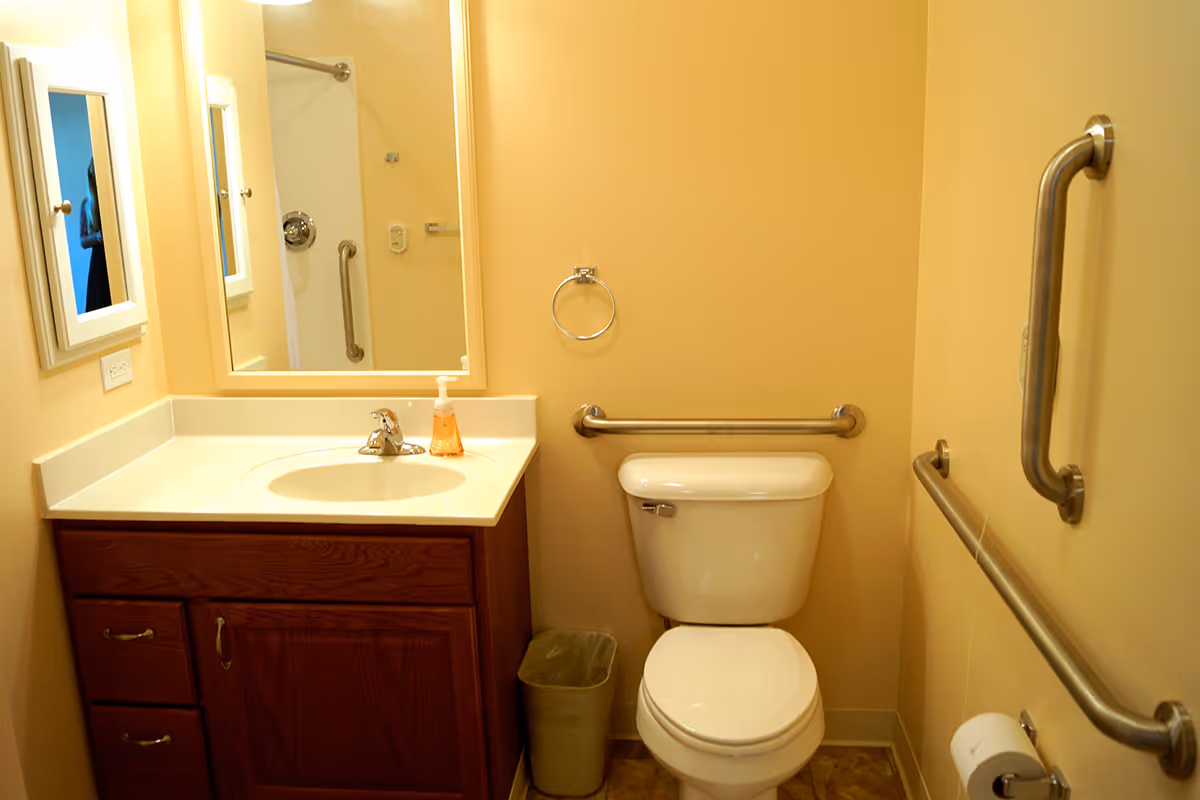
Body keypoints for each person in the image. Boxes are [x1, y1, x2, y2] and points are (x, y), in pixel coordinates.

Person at [80, 158, 111, 311]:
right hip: (99, 259)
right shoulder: (87, 203)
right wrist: (99, 237)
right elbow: (83, 240)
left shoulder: (112, 199)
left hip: (114, 254)